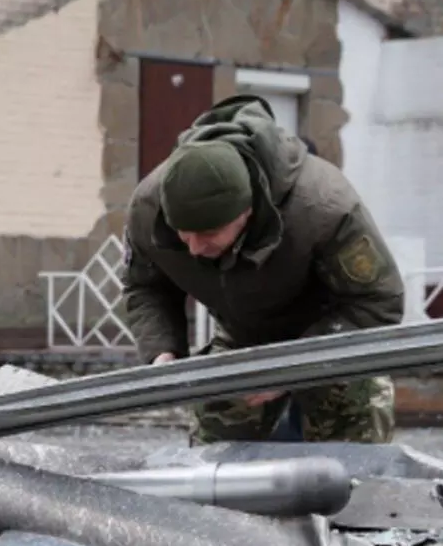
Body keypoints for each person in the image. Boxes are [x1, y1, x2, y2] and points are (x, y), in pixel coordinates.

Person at [119, 95, 404, 444]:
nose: (194, 248)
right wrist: (162, 351)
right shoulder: (149, 208)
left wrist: (294, 367)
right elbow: (145, 285)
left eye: (208, 234)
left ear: (247, 212)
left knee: (354, 451)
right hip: (244, 335)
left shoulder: (325, 207)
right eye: (183, 233)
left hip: (331, 338)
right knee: (215, 453)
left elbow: (378, 300)